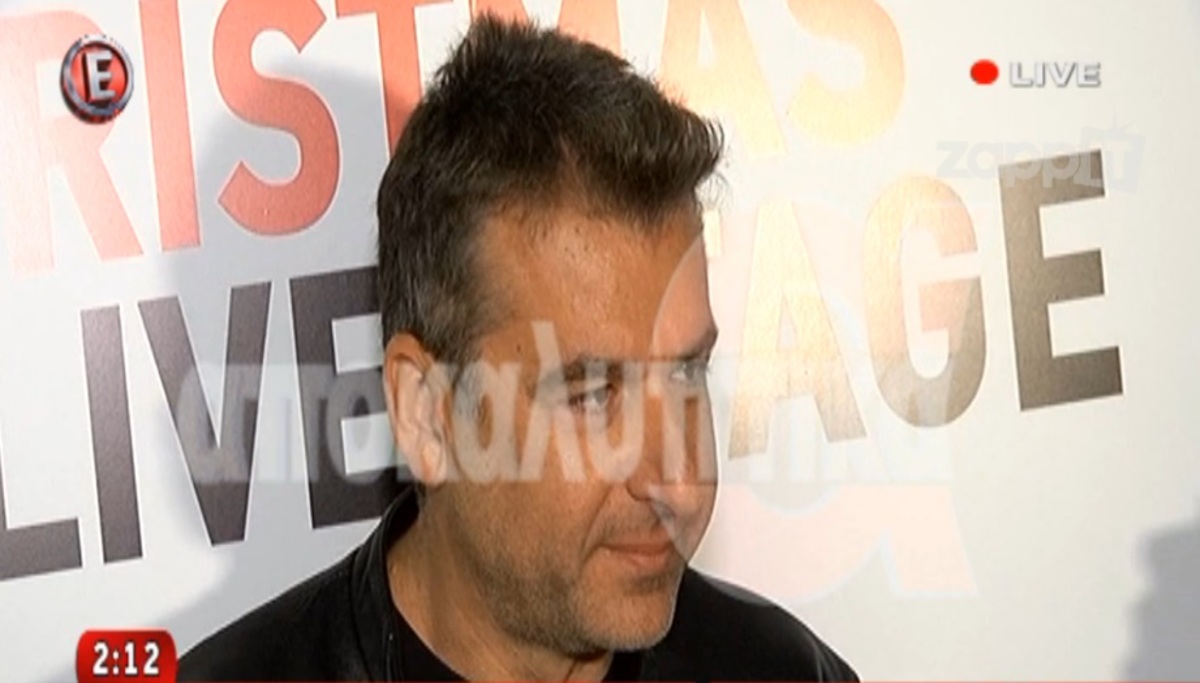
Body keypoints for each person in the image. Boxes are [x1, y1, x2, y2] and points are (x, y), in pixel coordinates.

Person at [179, 15, 857, 682]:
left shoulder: (784, 671)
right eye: (593, 396)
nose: (676, 483)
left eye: (686, 374)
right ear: (426, 414)